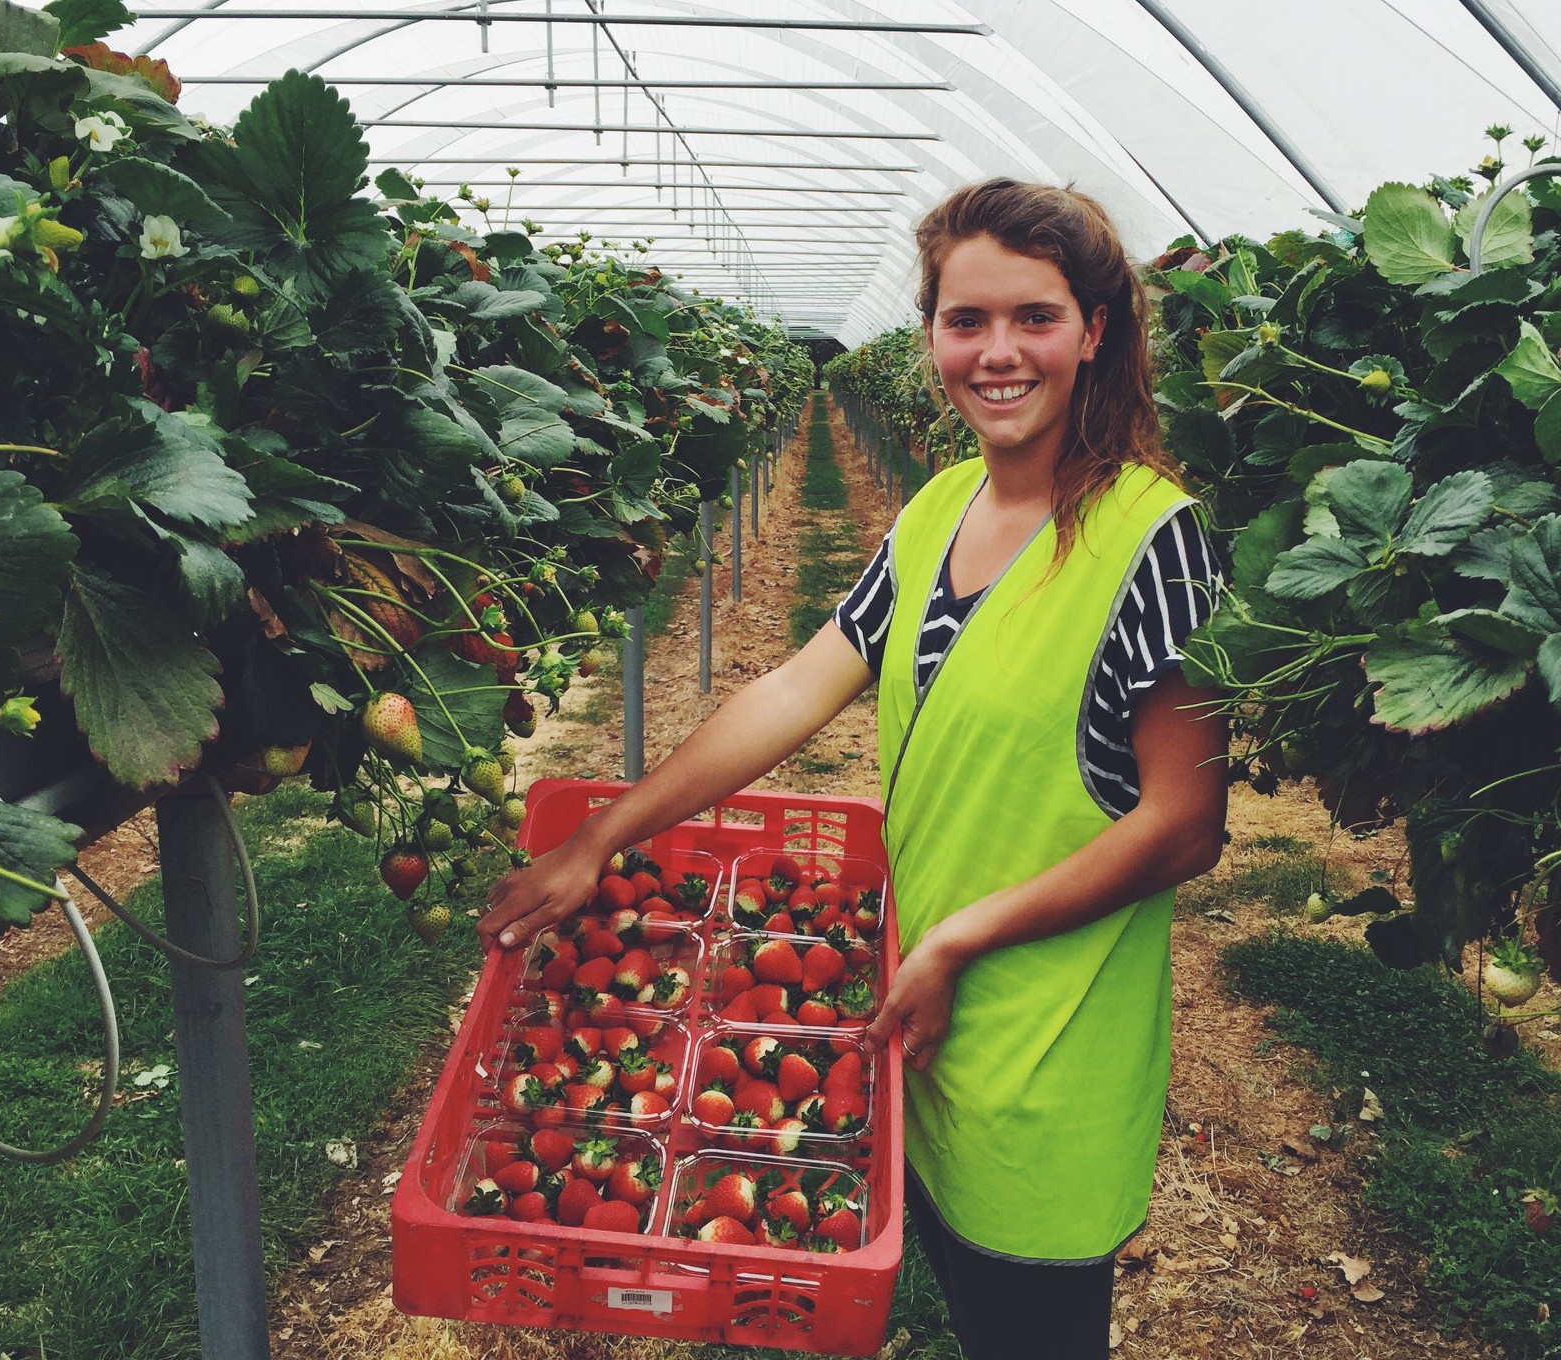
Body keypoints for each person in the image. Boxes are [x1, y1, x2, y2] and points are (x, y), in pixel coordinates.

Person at [478, 177, 1229, 1360]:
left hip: (1045, 1050)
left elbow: (1187, 823)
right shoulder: (941, 510)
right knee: (973, 1307)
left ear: (1095, 330)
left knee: (1030, 1325)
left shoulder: (1158, 542)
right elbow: (792, 688)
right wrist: (602, 836)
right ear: (931, 334)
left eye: (1034, 317)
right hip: (919, 1007)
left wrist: (961, 938)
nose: (997, 352)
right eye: (965, 319)